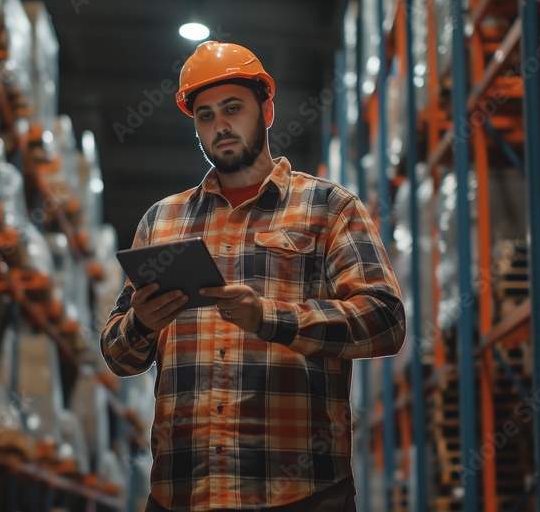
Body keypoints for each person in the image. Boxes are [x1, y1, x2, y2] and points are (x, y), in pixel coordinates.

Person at [100, 41, 405, 512]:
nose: (220, 126)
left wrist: (271, 319)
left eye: (233, 109)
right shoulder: (161, 222)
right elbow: (118, 355)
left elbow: (385, 321)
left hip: (298, 493)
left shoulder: (328, 208)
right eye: (204, 116)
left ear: (266, 110)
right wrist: (140, 323)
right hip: (183, 493)